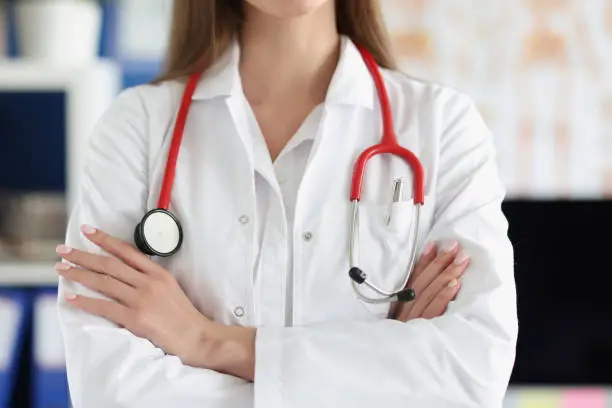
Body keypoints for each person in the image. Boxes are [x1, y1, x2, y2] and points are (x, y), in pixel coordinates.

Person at [55, 0, 518, 407]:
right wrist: (381, 369)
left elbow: (470, 373)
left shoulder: (441, 126)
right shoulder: (137, 127)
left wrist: (211, 342)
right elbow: (110, 389)